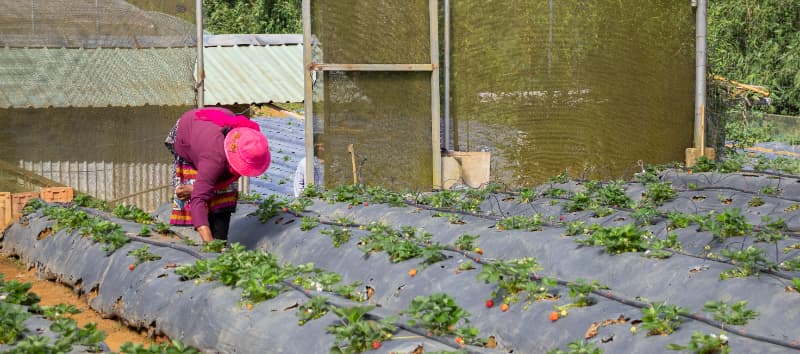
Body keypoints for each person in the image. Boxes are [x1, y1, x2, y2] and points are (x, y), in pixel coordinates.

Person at [164, 108, 270, 243]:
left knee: (224, 193)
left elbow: (234, 174)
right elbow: (198, 199)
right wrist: (210, 244)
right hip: (190, 128)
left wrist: (203, 188)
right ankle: (208, 240)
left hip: (214, 126)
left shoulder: (251, 140)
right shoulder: (213, 157)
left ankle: (221, 238)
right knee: (196, 191)